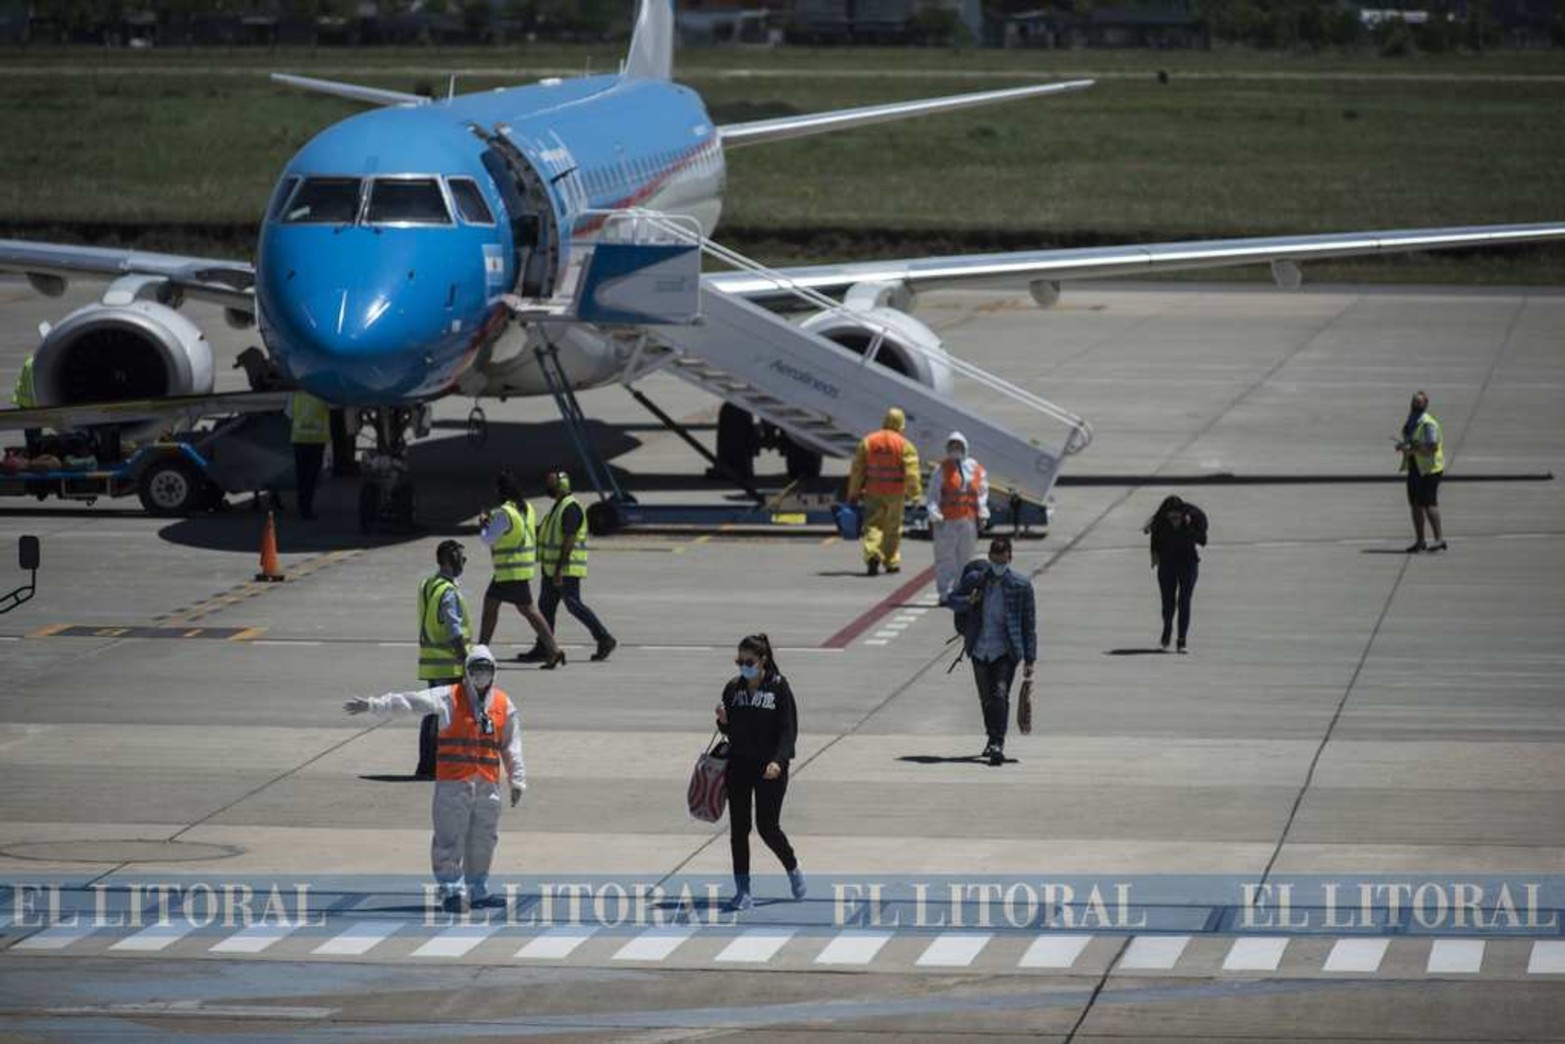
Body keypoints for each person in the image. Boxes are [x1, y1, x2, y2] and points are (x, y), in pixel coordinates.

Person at [344, 645, 525, 914]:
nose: (480, 675)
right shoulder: (449, 697)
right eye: (475, 669)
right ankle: (451, 891)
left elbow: (511, 744)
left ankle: (477, 890)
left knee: (484, 839)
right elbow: (411, 702)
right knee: (449, 839)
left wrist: (517, 779)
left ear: (494, 672)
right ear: (466, 671)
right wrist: (374, 705)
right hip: (454, 785)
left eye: (485, 670)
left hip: (487, 786)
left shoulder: (502, 703)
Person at [716, 633, 805, 910]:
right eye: (739, 661)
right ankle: (743, 890)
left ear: (763, 660)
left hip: (770, 768)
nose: (744, 665)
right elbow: (731, 731)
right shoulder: (732, 689)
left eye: (749, 661)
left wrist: (778, 761)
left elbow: (788, 730)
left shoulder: (779, 688)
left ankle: (792, 866)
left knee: (767, 827)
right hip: (739, 765)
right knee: (739, 830)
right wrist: (723, 722)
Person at [945, 536, 1037, 767]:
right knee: (986, 699)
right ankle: (991, 736)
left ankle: (998, 743)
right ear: (989, 558)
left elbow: (1029, 625)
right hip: (979, 648)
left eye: (1002, 561)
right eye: (994, 561)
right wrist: (969, 600)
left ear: (1010, 558)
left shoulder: (1021, 585)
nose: (998, 566)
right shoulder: (977, 580)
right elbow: (952, 600)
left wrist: (1030, 658)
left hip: (1005, 650)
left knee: (1000, 694)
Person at [520, 470, 617, 663]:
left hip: (565, 569)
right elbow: (545, 532)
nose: (547, 486)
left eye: (551, 483)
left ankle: (604, 638)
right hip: (551, 570)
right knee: (545, 608)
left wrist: (558, 570)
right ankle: (543, 646)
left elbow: (569, 540)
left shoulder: (570, 508)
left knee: (574, 605)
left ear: (561, 485)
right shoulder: (558, 507)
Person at [478, 470, 564, 669]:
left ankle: (554, 649)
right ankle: (481, 650)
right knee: (493, 606)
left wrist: (483, 524)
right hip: (519, 569)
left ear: (500, 490)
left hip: (509, 570)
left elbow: (488, 539)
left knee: (527, 611)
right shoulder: (527, 508)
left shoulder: (504, 512)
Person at [415, 540, 471, 779]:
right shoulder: (447, 591)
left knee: (432, 714)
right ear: (449, 559)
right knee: (446, 716)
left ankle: (426, 764)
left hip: (432, 663)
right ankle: (439, 765)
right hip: (448, 663)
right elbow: (453, 629)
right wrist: (467, 659)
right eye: (461, 557)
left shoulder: (428, 584)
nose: (464, 562)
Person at [846, 407, 922, 576]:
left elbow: (858, 470)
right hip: (895, 492)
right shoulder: (904, 445)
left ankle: (873, 553)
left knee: (873, 525)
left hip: (873, 491)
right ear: (901, 423)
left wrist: (853, 493)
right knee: (893, 528)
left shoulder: (868, 441)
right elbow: (912, 473)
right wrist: (915, 494)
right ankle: (891, 561)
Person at [926, 431, 989, 601]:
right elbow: (932, 495)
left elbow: (982, 493)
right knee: (945, 558)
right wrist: (934, 513)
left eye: (958, 446)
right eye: (952, 446)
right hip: (946, 522)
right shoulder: (941, 470)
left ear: (965, 447)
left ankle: (961, 589)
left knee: (966, 557)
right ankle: (944, 592)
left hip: (968, 521)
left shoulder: (975, 468)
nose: (955, 449)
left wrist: (982, 514)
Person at [1143, 495, 1207, 653]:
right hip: (1167, 564)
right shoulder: (1161, 522)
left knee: (1184, 602)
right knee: (1168, 604)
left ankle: (1182, 641)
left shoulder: (1193, 518)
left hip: (1188, 564)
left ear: (1182, 514)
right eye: (1170, 517)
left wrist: (1189, 527)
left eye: (1176, 517)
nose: (1173, 520)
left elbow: (1203, 540)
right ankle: (1167, 629)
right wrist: (1154, 555)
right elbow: (1155, 540)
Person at [1397, 390, 1447, 553]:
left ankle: (1439, 539)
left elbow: (1432, 448)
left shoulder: (1428, 423)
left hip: (1430, 469)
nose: (1416, 404)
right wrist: (1404, 447)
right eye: (1414, 401)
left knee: (1429, 504)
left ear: (1426, 405)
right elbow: (1412, 443)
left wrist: (1412, 450)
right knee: (1415, 504)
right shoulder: (1411, 421)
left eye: (1419, 402)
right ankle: (1420, 541)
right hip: (1415, 468)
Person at [287, 389, 330, 520]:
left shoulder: (295, 394)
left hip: (299, 440)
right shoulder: (323, 393)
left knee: (302, 477)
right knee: (311, 478)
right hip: (316, 441)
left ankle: (303, 508)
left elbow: (289, 415)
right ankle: (306, 509)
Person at [11, 356, 41, 457]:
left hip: (25, 403)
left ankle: (33, 453)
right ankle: (34, 455)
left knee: (31, 436)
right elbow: (33, 388)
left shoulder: (29, 361)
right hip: (33, 405)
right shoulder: (37, 363)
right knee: (34, 436)